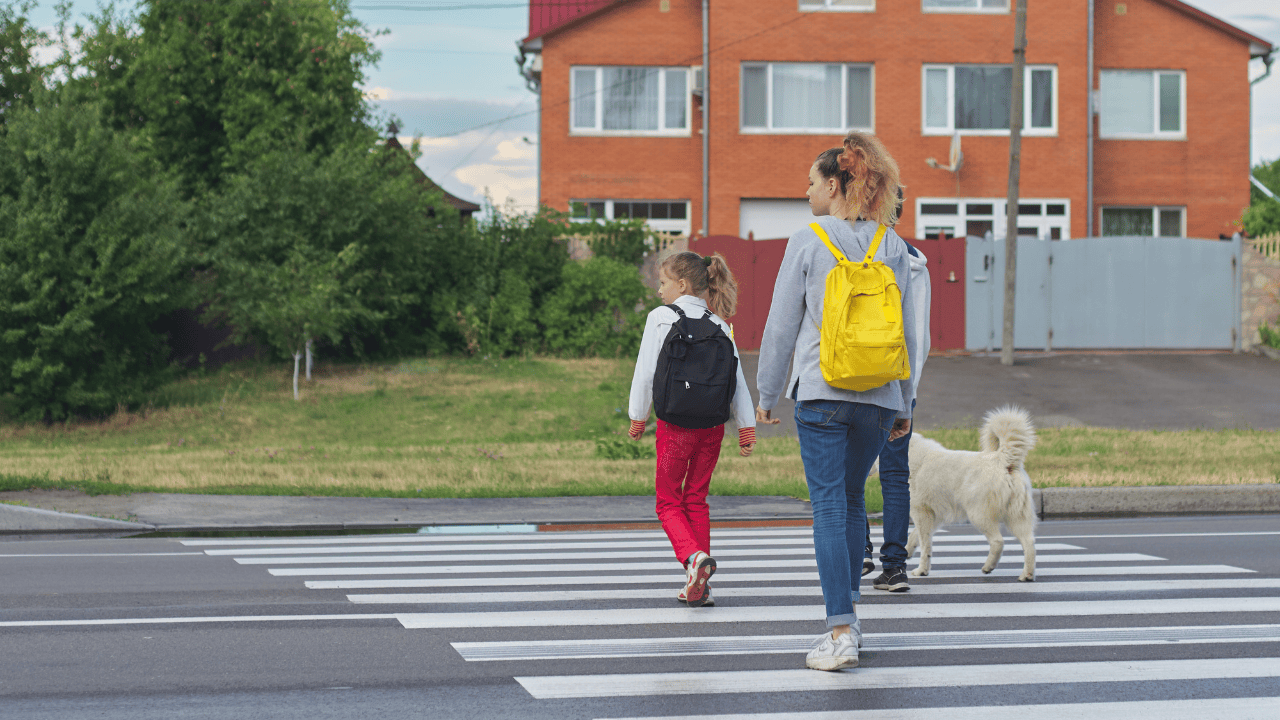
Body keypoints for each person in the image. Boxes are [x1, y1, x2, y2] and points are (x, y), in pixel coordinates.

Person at [756, 132, 917, 671]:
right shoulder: (891, 244)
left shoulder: (808, 239)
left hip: (822, 394)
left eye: (810, 182)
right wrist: (905, 402)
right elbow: (910, 334)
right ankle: (850, 619)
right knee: (851, 500)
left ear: (834, 183)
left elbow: (782, 324)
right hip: (879, 397)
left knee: (828, 504)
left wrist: (765, 392)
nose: (805, 193)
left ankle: (840, 630)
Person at [627, 251, 756, 607]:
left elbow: (645, 372)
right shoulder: (719, 324)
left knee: (668, 501)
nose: (660, 291)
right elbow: (738, 381)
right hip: (712, 429)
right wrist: (746, 427)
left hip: (674, 427)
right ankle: (701, 584)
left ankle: (693, 559)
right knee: (696, 499)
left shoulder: (661, 318)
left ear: (681, 284)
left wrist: (638, 417)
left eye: (663, 283)